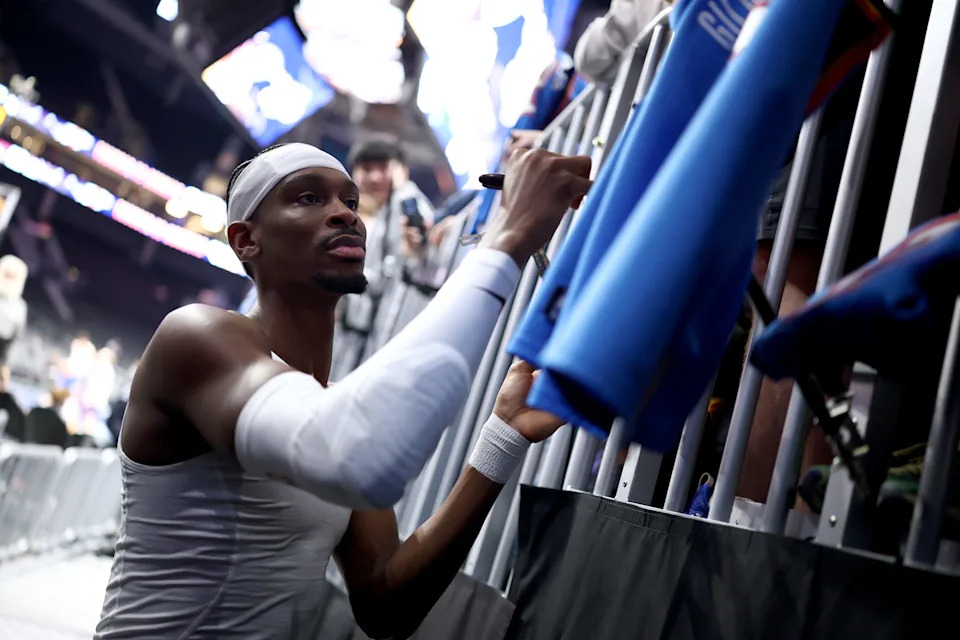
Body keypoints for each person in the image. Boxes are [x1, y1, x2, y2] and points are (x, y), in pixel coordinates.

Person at [96, 141, 591, 638]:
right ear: (246, 239)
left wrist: (501, 437)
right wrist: (505, 240)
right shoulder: (196, 336)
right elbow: (350, 455)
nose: (343, 215)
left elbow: (386, 605)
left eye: (350, 203)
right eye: (308, 198)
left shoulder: (325, 407)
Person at [0, 254, 28, 391]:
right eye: (7, 274)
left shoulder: (19, 308)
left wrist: (5, 372)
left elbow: (13, 343)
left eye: (13, 276)